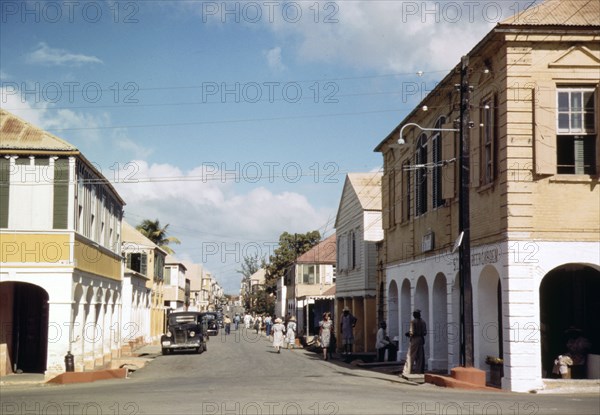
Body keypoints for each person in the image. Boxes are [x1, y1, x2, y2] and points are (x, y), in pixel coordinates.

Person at [402, 309, 427, 375]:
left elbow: (411, 332)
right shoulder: (423, 322)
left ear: (415, 315)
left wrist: (408, 334)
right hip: (421, 339)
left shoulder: (413, 322)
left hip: (414, 339)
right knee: (420, 356)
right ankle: (419, 371)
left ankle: (407, 371)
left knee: (410, 355)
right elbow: (425, 332)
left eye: (414, 314)